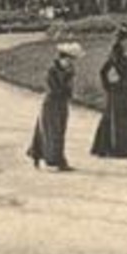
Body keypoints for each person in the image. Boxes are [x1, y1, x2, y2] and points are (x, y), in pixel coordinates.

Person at [90, 26, 127, 158]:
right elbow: (104, 71)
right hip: (117, 91)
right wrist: (109, 85)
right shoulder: (115, 55)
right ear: (121, 41)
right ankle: (114, 148)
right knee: (115, 117)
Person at [28, 42, 83, 171]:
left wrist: (69, 93)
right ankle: (53, 160)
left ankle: (53, 157)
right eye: (69, 60)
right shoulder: (52, 71)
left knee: (59, 130)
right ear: (62, 58)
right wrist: (65, 90)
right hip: (51, 103)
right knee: (52, 131)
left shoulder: (69, 70)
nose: (71, 63)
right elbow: (53, 88)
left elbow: (69, 88)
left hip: (61, 103)